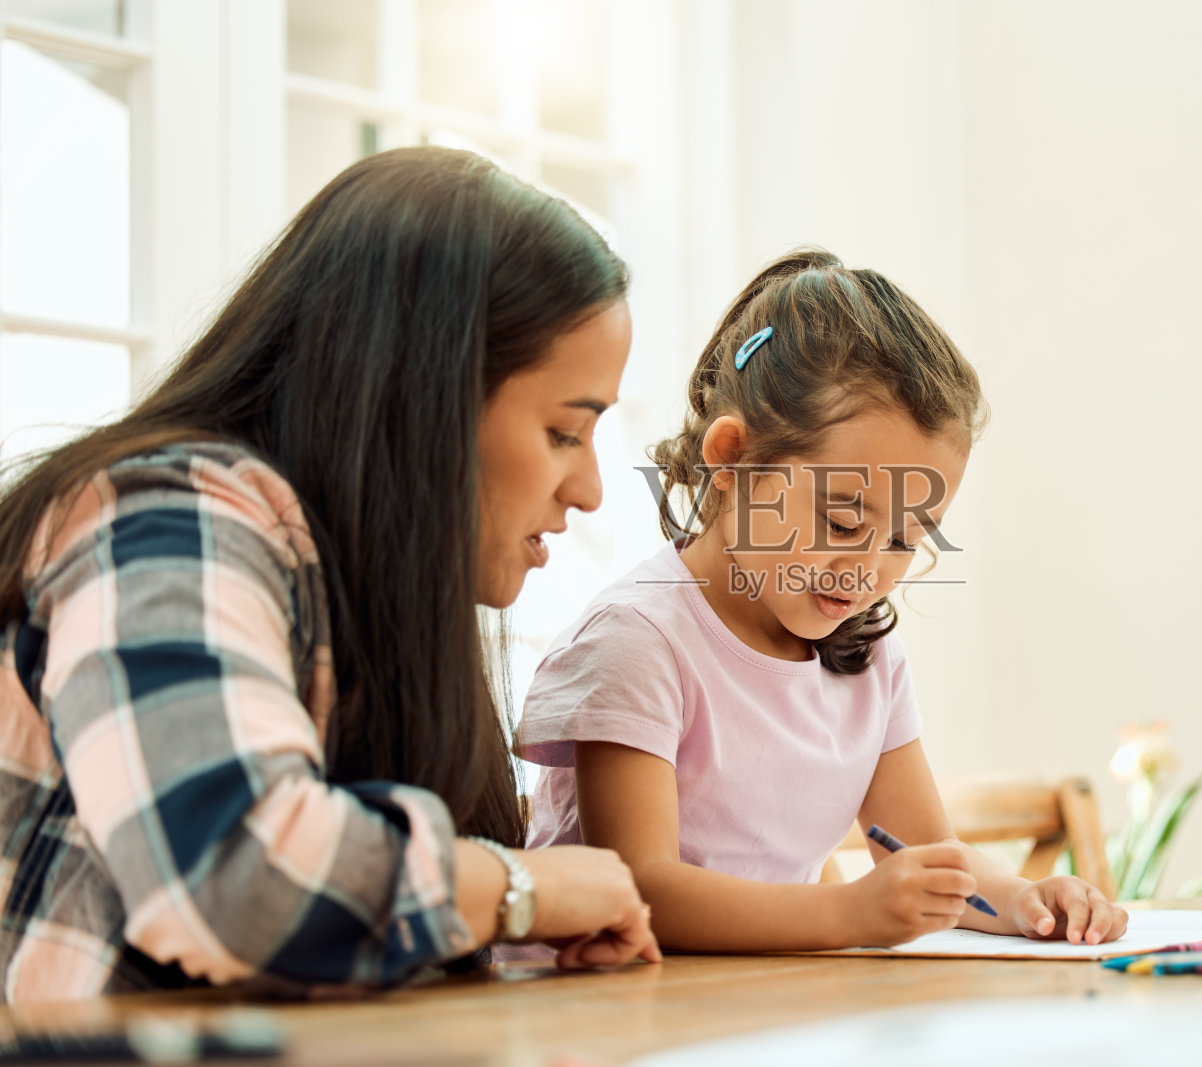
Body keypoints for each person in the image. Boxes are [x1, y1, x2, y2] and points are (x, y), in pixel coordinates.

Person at [0, 146, 659, 1003]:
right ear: (421, 397)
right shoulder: (165, 520)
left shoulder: (368, 600)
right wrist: (519, 888)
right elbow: (232, 869)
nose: (590, 490)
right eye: (565, 432)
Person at [512, 250, 1129, 952]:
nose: (865, 569)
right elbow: (639, 889)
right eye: (841, 521)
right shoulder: (639, 643)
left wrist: (1024, 901)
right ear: (732, 458)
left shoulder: (869, 657)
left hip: (752, 998)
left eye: (903, 540)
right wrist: (847, 912)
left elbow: (929, 852)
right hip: (594, 1002)